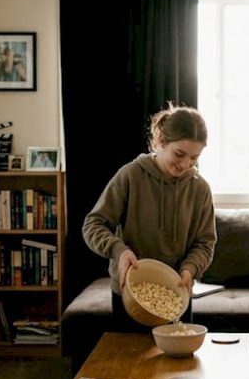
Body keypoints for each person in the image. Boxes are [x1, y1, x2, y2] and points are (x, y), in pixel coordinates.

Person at [82, 105, 216, 331]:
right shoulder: (131, 175)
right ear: (161, 141)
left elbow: (205, 244)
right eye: (179, 154)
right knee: (127, 364)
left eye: (194, 158)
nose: (185, 165)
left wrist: (190, 269)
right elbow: (93, 225)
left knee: (178, 365)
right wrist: (119, 251)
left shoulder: (200, 189)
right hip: (130, 294)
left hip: (177, 295)